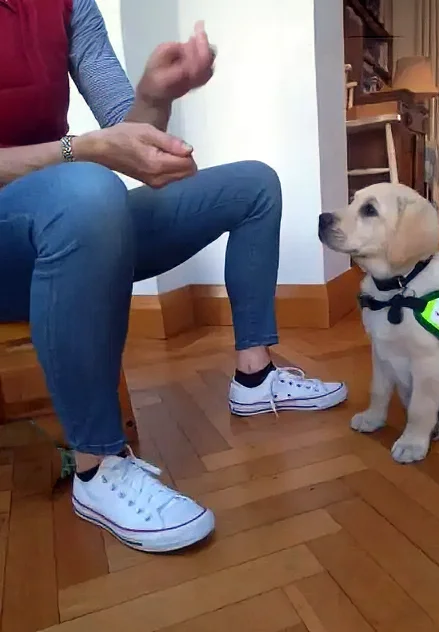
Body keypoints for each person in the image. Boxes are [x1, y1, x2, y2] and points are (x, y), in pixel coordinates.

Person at [0, 0, 347, 553]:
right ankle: (97, 466)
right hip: (28, 233)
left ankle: (255, 379)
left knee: (254, 185)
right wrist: (79, 151)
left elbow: (130, 134)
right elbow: (87, 158)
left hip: (68, 221)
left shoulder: (69, 6)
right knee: (88, 190)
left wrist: (158, 94)